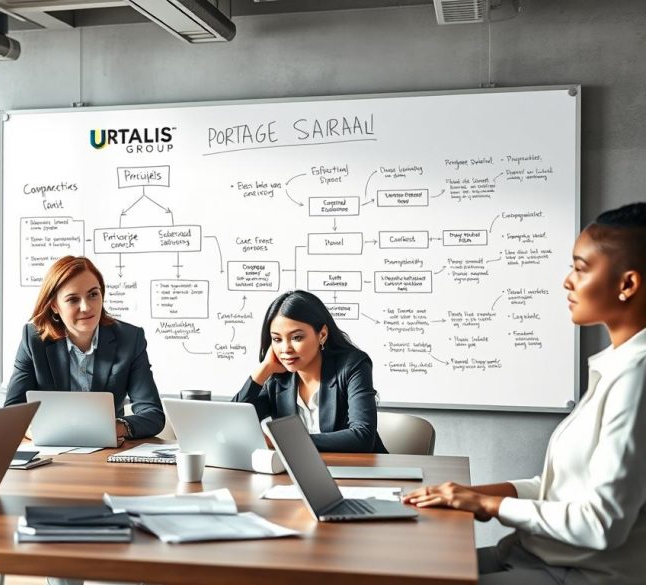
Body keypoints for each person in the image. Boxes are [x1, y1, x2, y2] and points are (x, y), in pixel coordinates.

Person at [404, 202, 646, 585]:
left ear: (627, 284)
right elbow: (557, 489)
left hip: (578, 574)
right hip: (530, 555)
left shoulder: (637, 377)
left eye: (580, 268)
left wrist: (489, 505)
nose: (567, 281)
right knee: (405, 566)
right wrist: (467, 494)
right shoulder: (617, 365)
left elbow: (602, 524)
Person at [4, 255, 164, 444]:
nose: (86, 307)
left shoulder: (130, 338)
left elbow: (153, 415)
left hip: (108, 456)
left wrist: (115, 427)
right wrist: (38, 431)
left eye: (93, 294)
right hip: (53, 455)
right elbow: (11, 415)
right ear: (54, 305)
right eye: (72, 299)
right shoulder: (34, 340)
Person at [233, 289, 386, 453]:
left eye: (296, 337)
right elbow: (232, 423)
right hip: (303, 472)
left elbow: (363, 437)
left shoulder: (353, 365)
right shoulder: (278, 380)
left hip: (361, 473)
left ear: (322, 334)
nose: (285, 349)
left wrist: (285, 441)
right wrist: (263, 370)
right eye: (277, 339)